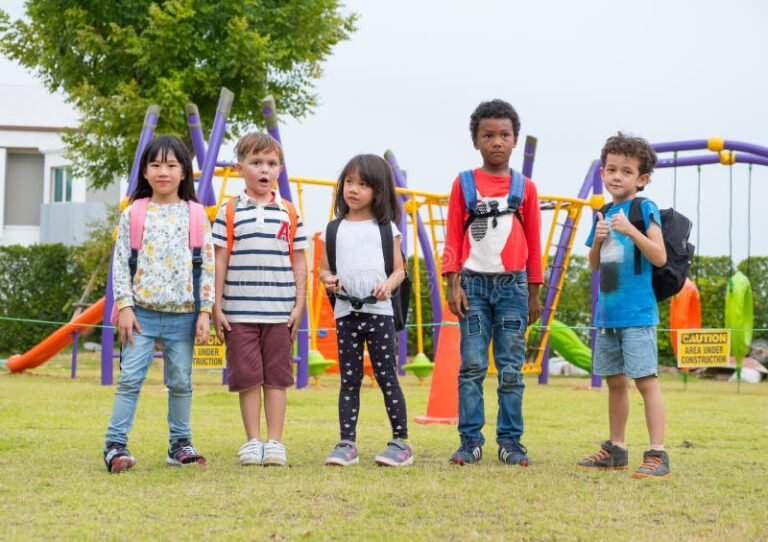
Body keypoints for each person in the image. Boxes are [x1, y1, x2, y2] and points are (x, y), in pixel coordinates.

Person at [104, 135, 214, 473]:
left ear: (184, 172)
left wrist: (205, 311)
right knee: (130, 380)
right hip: (141, 316)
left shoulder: (196, 215)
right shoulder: (133, 214)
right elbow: (121, 262)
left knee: (181, 381)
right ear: (145, 172)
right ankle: (115, 445)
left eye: (171, 165)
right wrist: (124, 306)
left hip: (184, 316)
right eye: (155, 165)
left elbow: (207, 265)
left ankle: (180, 444)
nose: (162, 171)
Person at [442, 99, 542, 466]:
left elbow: (533, 240)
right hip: (473, 287)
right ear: (476, 141)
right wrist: (453, 285)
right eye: (488, 135)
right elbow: (453, 235)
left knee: (511, 369)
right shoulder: (463, 183)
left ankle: (511, 443)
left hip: (514, 289)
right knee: (470, 367)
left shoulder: (525, 188)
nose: (496, 141)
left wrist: (534, 293)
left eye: (504, 135)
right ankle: (469, 441)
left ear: (514, 140)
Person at [579, 132, 671, 479]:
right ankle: (616, 449)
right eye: (612, 169)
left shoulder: (642, 208)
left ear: (642, 178)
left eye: (626, 171)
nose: (617, 176)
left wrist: (632, 231)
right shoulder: (602, 212)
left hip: (637, 314)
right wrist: (598, 241)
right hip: (609, 315)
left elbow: (659, 256)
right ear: (603, 172)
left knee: (646, 381)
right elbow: (594, 264)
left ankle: (658, 453)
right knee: (615, 382)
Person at [212, 132, 307, 467]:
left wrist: (299, 304)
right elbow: (220, 259)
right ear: (241, 168)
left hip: (280, 313)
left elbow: (298, 261)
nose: (264, 169)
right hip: (239, 312)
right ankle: (252, 440)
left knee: (277, 378)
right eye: (256, 162)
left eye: (271, 163)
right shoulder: (229, 211)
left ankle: (275, 442)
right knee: (248, 377)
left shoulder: (290, 213)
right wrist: (216, 305)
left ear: (279, 170)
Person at [319, 154, 413, 467]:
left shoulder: (387, 230)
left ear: (378, 190)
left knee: (387, 376)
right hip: (345, 314)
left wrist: (389, 283)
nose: (353, 190)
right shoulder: (332, 230)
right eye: (349, 182)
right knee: (349, 378)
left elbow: (400, 270)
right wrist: (328, 280)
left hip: (380, 314)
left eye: (363, 184)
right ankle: (347, 443)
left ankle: (401, 442)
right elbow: (323, 271)